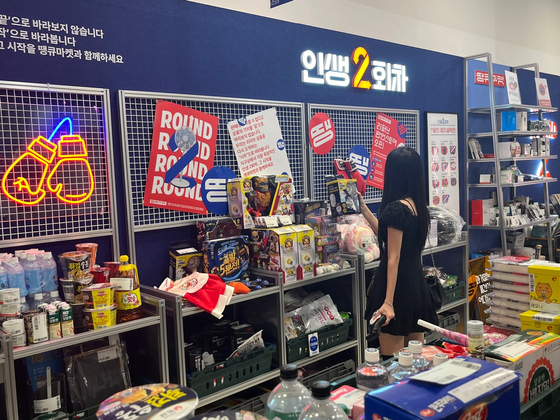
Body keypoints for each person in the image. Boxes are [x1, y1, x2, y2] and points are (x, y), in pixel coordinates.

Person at [358, 146, 438, 360]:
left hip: (395, 288)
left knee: (393, 363)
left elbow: (393, 257)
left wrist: (388, 302)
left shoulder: (395, 209)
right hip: (415, 285)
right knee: (416, 359)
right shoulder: (417, 206)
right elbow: (391, 239)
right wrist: (365, 211)